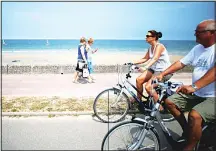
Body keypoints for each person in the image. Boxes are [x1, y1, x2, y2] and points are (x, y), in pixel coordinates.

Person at [155, 19, 216, 151]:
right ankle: (188, 131)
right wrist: (162, 74)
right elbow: (181, 63)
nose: (195, 34)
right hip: (197, 93)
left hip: (212, 96)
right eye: (195, 32)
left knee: (195, 115)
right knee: (170, 102)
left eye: (198, 32)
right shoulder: (197, 49)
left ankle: (190, 146)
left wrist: (194, 86)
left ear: (212, 33)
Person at [132, 30, 171, 104]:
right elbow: (145, 58)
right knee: (139, 80)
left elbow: (155, 58)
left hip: (163, 71)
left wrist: (145, 67)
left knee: (148, 87)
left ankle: (159, 108)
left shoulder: (159, 46)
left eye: (147, 36)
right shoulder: (150, 48)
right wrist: (132, 62)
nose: (145, 37)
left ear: (154, 37)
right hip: (154, 69)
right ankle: (139, 101)